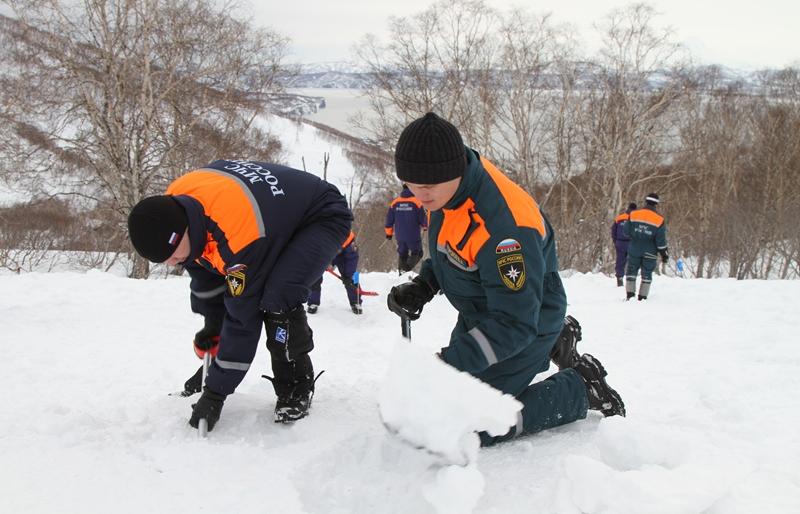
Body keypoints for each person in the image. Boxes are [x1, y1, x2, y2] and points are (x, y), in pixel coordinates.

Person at [386, 112, 625, 448]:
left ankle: (580, 387)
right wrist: (425, 284)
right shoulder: (446, 189)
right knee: (432, 407)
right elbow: (451, 247)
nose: (418, 194)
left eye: (426, 186)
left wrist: (445, 363)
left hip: (522, 318)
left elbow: (514, 322)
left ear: (452, 171)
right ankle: (555, 341)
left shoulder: (506, 229)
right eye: (411, 183)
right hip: (485, 310)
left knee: (468, 426)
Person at [127, 159, 352, 429]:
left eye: (173, 254)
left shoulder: (239, 238)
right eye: (164, 260)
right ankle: (217, 368)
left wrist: (215, 393)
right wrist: (212, 327)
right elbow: (207, 276)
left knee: (278, 296)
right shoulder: (174, 207)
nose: (173, 263)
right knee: (232, 284)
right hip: (272, 215)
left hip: (320, 215)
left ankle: (296, 385)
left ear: (185, 229)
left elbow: (243, 319)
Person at [624, 193, 668, 300]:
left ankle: (630, 295)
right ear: (656, 204)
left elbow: (626, 232)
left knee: (631, 270)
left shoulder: (634, 214)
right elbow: (660, 240)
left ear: (646, 201)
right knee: (647, 273)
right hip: (650, 251)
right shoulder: (659, 219)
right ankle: (642, 297)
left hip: (634, 248)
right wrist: (664, 254)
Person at [307, 230, 363, 315]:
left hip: (343, 256)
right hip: (325, 255)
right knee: (314, 275)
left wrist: (348, 276)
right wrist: (324, 262)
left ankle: (356, 302)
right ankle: (313, 302)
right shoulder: (318, 234)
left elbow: (353, 258)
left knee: (353, 276)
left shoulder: (348, 236)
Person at [385, 184, 428, 274]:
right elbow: (423, 219)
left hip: (399, 236)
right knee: (418, 253)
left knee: (402, 253)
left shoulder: (395, 203)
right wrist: (425, 226)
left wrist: (389, 233)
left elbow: (389, 220)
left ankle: (401, 273)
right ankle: (406, 270)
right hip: (413, 235)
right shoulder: (417, 202)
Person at [611, 203, 636, 287]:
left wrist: (615, 241)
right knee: (632, 262)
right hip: (631, 243)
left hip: (620, 242)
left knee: (620, 261)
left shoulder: (619, 217)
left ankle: (619, 278)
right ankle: (630, 279)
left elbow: (613, 231)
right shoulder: (635, 218)